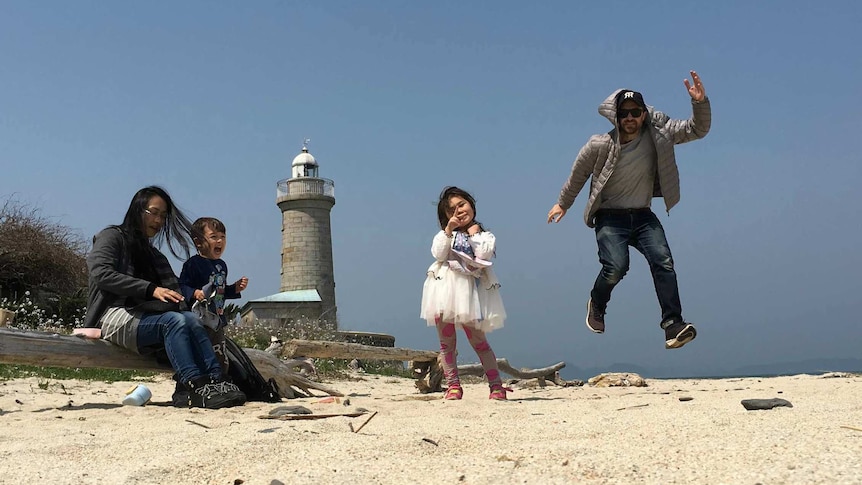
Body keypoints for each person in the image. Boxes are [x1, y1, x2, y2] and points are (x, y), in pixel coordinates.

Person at [547, 70, 711, 349]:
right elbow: (578, 175)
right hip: (610, 216)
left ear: (644, 114)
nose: (630, 118)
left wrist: (700, 103)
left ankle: (673, 325)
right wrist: (563, 203)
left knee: (663, 261)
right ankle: (597, 302)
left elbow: (696, 130)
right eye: (624, 113)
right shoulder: (599, 144)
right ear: (616, 116)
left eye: (635, 112)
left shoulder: (660, 135)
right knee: (616, 266)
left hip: (643, 215)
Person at [83, 186, 246, 408]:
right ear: (137, 209)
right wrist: (151, 289)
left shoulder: (154, 255)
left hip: (144, 316)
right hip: (111, 314)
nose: (158, 220)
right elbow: (102, 274)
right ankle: (193, 385)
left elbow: (176, 292)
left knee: (190, 319)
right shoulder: (111, 236)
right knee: (175, 322)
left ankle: (216, 381)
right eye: (153, 212)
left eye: (163, 215)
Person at [420, 186, 509, 400]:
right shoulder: (445, 236)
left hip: (470, 295)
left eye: (461, 204)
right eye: (452, 210)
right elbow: (439, 254)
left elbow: (484, 253)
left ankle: (496, 385)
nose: (458, 211)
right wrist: (449, 230)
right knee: (446, 342)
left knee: (478, 340)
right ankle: (453, 385)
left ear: (471, 204)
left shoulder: (484, 235)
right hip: (443, 291)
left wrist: (473, 232)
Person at [179, 217, 249, 372]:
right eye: (214, 237)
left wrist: (234, 289)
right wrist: (194, 292)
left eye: (223, 237)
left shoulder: (221, 265)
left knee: (219, 352)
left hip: (217, 318)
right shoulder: (193, 264)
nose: (220, 241)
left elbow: (219, 292)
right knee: (196, 353)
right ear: (198, 243)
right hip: (199, 319)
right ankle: (186, 387)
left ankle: (219, 380)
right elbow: (181, 285)